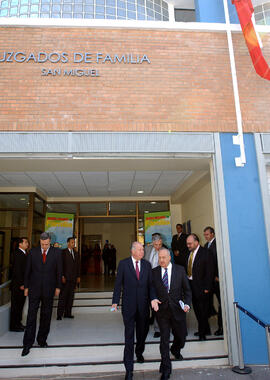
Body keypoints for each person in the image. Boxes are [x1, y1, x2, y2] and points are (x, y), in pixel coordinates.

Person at [112, 241, 159, 380]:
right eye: (139, 250)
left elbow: (151, 285)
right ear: (132, 251)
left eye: (143, 250)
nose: (142, 252)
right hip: (128, 307)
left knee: (142, 332)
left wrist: (153, 299)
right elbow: (118, 284)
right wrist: (115, 301)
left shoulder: (146, 265)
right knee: (129, 335)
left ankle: (139, 352)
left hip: (144, 307)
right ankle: (129, 369)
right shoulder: (123, 264)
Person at [152, 248, 192, 380]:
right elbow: (151, 289)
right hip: (162, 312)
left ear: (170, 257)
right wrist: (153, 299)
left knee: (181, 336)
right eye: (159, 258)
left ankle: (175, 349)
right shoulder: (155, 272)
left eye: (164, 257)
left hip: (177, 310)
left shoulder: (180, 270)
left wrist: (186, 304)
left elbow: (187, 291)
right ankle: (166, 369)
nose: (161, 260)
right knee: (164, 340)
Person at [21, 232, 62, 357]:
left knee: (46, 315)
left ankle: (42, 340)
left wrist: (58, 287)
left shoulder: (57, 253)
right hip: (34, 289)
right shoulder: (32, 252)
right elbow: (27, 270)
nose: (45, 246)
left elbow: (59, 271)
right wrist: (26, 287)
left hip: (49, 289)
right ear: (40, 241)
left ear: (50, 241)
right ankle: (27, 344)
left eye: (47, 244)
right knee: (31, 316)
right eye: (43, 244)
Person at [186, 233, 214, 341]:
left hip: (202, 287)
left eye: (190, 243)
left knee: (202, 311)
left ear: (196, 242)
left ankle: (202, 334)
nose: (188, 245)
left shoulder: (206, 253)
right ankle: (205, 329)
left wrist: (207, 287)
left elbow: (210, 272)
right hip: (191, 286)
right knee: (197, 310)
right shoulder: (189, 253)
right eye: (187, 244)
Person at [203, 226, 223, 336]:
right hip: (209, 280)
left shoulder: (218, 244)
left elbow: (218, 262)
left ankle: (221, 327)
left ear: (212, 234)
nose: (205, 236)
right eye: (204, 234)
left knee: (221, 304)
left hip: (217, 280)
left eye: (207, 234)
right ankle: (206, 328)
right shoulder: (206, 245)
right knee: (207, 303)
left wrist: (217, 275)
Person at [144, 233, 163, 337]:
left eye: (160, 244)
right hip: (146, 281)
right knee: (145, 304)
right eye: (156, 244)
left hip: (159, 282)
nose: (158, 247)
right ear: (152, 243)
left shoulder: (165, 251)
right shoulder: (146, 249)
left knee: (157, 305)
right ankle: (145, 324)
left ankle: (158, 328)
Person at [57, 237, 80, 320]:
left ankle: (68, 313)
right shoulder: (63, 253)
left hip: (73, 279)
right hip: (65, 279)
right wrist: (62, 276)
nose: (73, 244)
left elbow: (77, 266)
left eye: (74, 242)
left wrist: (78, 276)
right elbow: (60, 266)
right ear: (68, 243)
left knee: (70, 297)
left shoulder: (76, 253)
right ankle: (59, 314)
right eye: (72, 242)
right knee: (63, 297)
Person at [10, 237, 29, 332]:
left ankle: (18, 323)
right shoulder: (17, 253)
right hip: (18, 285)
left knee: (20, 305)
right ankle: (14, 326)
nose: (27, 244)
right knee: (16, 306)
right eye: (25, 242)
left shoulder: (24, 253)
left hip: (23, 285)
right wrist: (21, 284)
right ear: (20, 244)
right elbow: (17, 271)